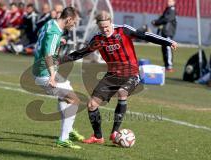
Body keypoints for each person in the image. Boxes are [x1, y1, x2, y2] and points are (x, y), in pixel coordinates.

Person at [58, 11, 178, 144]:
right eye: (102, 27)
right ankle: (98, 137)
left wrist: (167, 42)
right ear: (98, 26)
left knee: (122, 92)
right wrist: (59, 60)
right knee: (91, 104)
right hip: (112, 75)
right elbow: (81, 53)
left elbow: (145, 36)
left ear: (111, 23)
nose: (105, 30)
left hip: (131, 73)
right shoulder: (98, 39)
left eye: (107, 27)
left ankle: (115, 132)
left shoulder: (123, 30)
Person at [32, 7, 84, 149]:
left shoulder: (50, 23)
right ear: (68, 19)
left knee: (66, 96)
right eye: (74, 22)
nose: (74, 25)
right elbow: (48, 55)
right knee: (75, 100)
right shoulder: (54, 32)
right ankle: (64, 138)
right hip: (44, 74)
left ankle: (68, 130)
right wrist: (52, 76)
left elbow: (41, 35)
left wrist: (58, 40)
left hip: (40, 70)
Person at [152, 0, 177, 72]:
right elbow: (162, 18)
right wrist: (156, 22)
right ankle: (166, 65)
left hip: (168, 32)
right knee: (164, 49)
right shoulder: (167, 9)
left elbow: (167, 19)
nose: (168, 2)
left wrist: (156, 22)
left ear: (174, 2)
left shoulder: (172, 9)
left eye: (170, 1)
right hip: (164, 32)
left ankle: (169, 66)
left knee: (168, 48)